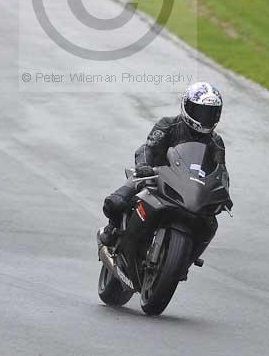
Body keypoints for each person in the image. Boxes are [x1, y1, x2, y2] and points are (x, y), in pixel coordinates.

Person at [99, 81, 233, 260]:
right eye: (199, 112)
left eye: (209, 114)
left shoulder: (216, 142)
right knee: (116, 201)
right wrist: (144, 166)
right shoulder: (168, 124)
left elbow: (220, 171)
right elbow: (148, 148)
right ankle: (113, 227)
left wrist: (222, 193)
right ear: (186, 106)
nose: (204, 118)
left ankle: (185, 260)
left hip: (191, 189)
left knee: (210, 224)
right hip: (157, 176)